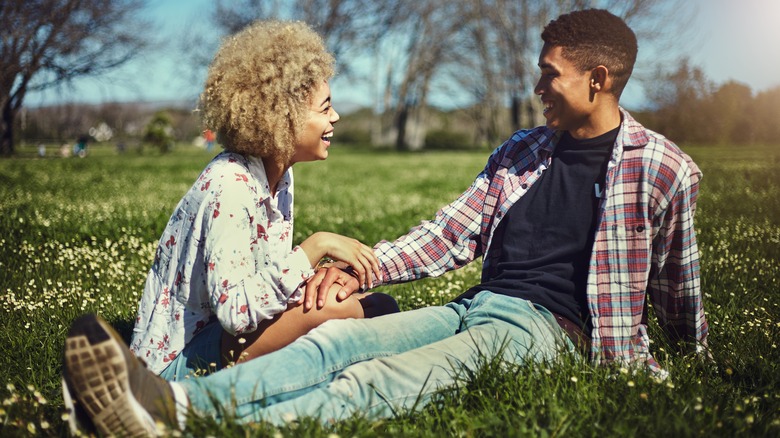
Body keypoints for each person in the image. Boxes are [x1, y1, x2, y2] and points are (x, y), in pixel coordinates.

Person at [62, 9, 708, 436]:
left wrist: (695, 360)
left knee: (381, 381)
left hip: (551, 332)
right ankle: (171, 406)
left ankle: (203, 422)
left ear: (599, 79)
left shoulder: (662, 170)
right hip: (479, 304)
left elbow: (679, 290)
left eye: (551, 75)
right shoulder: (522, 152)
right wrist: (351, 270)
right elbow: (448, 235)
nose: (539, 86)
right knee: (335, 343)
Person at [62, 19, 400, 435]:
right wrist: (315, 248)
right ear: (284, 117)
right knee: (344, 311)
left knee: (375, 306)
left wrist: (316, 279)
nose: (336, 116)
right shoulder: (230, 186)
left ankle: (326, 367)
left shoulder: (279, 177)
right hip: (175, 368)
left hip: (226, 338)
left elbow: (264, 282)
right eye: (325, 106)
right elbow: (237, 311)